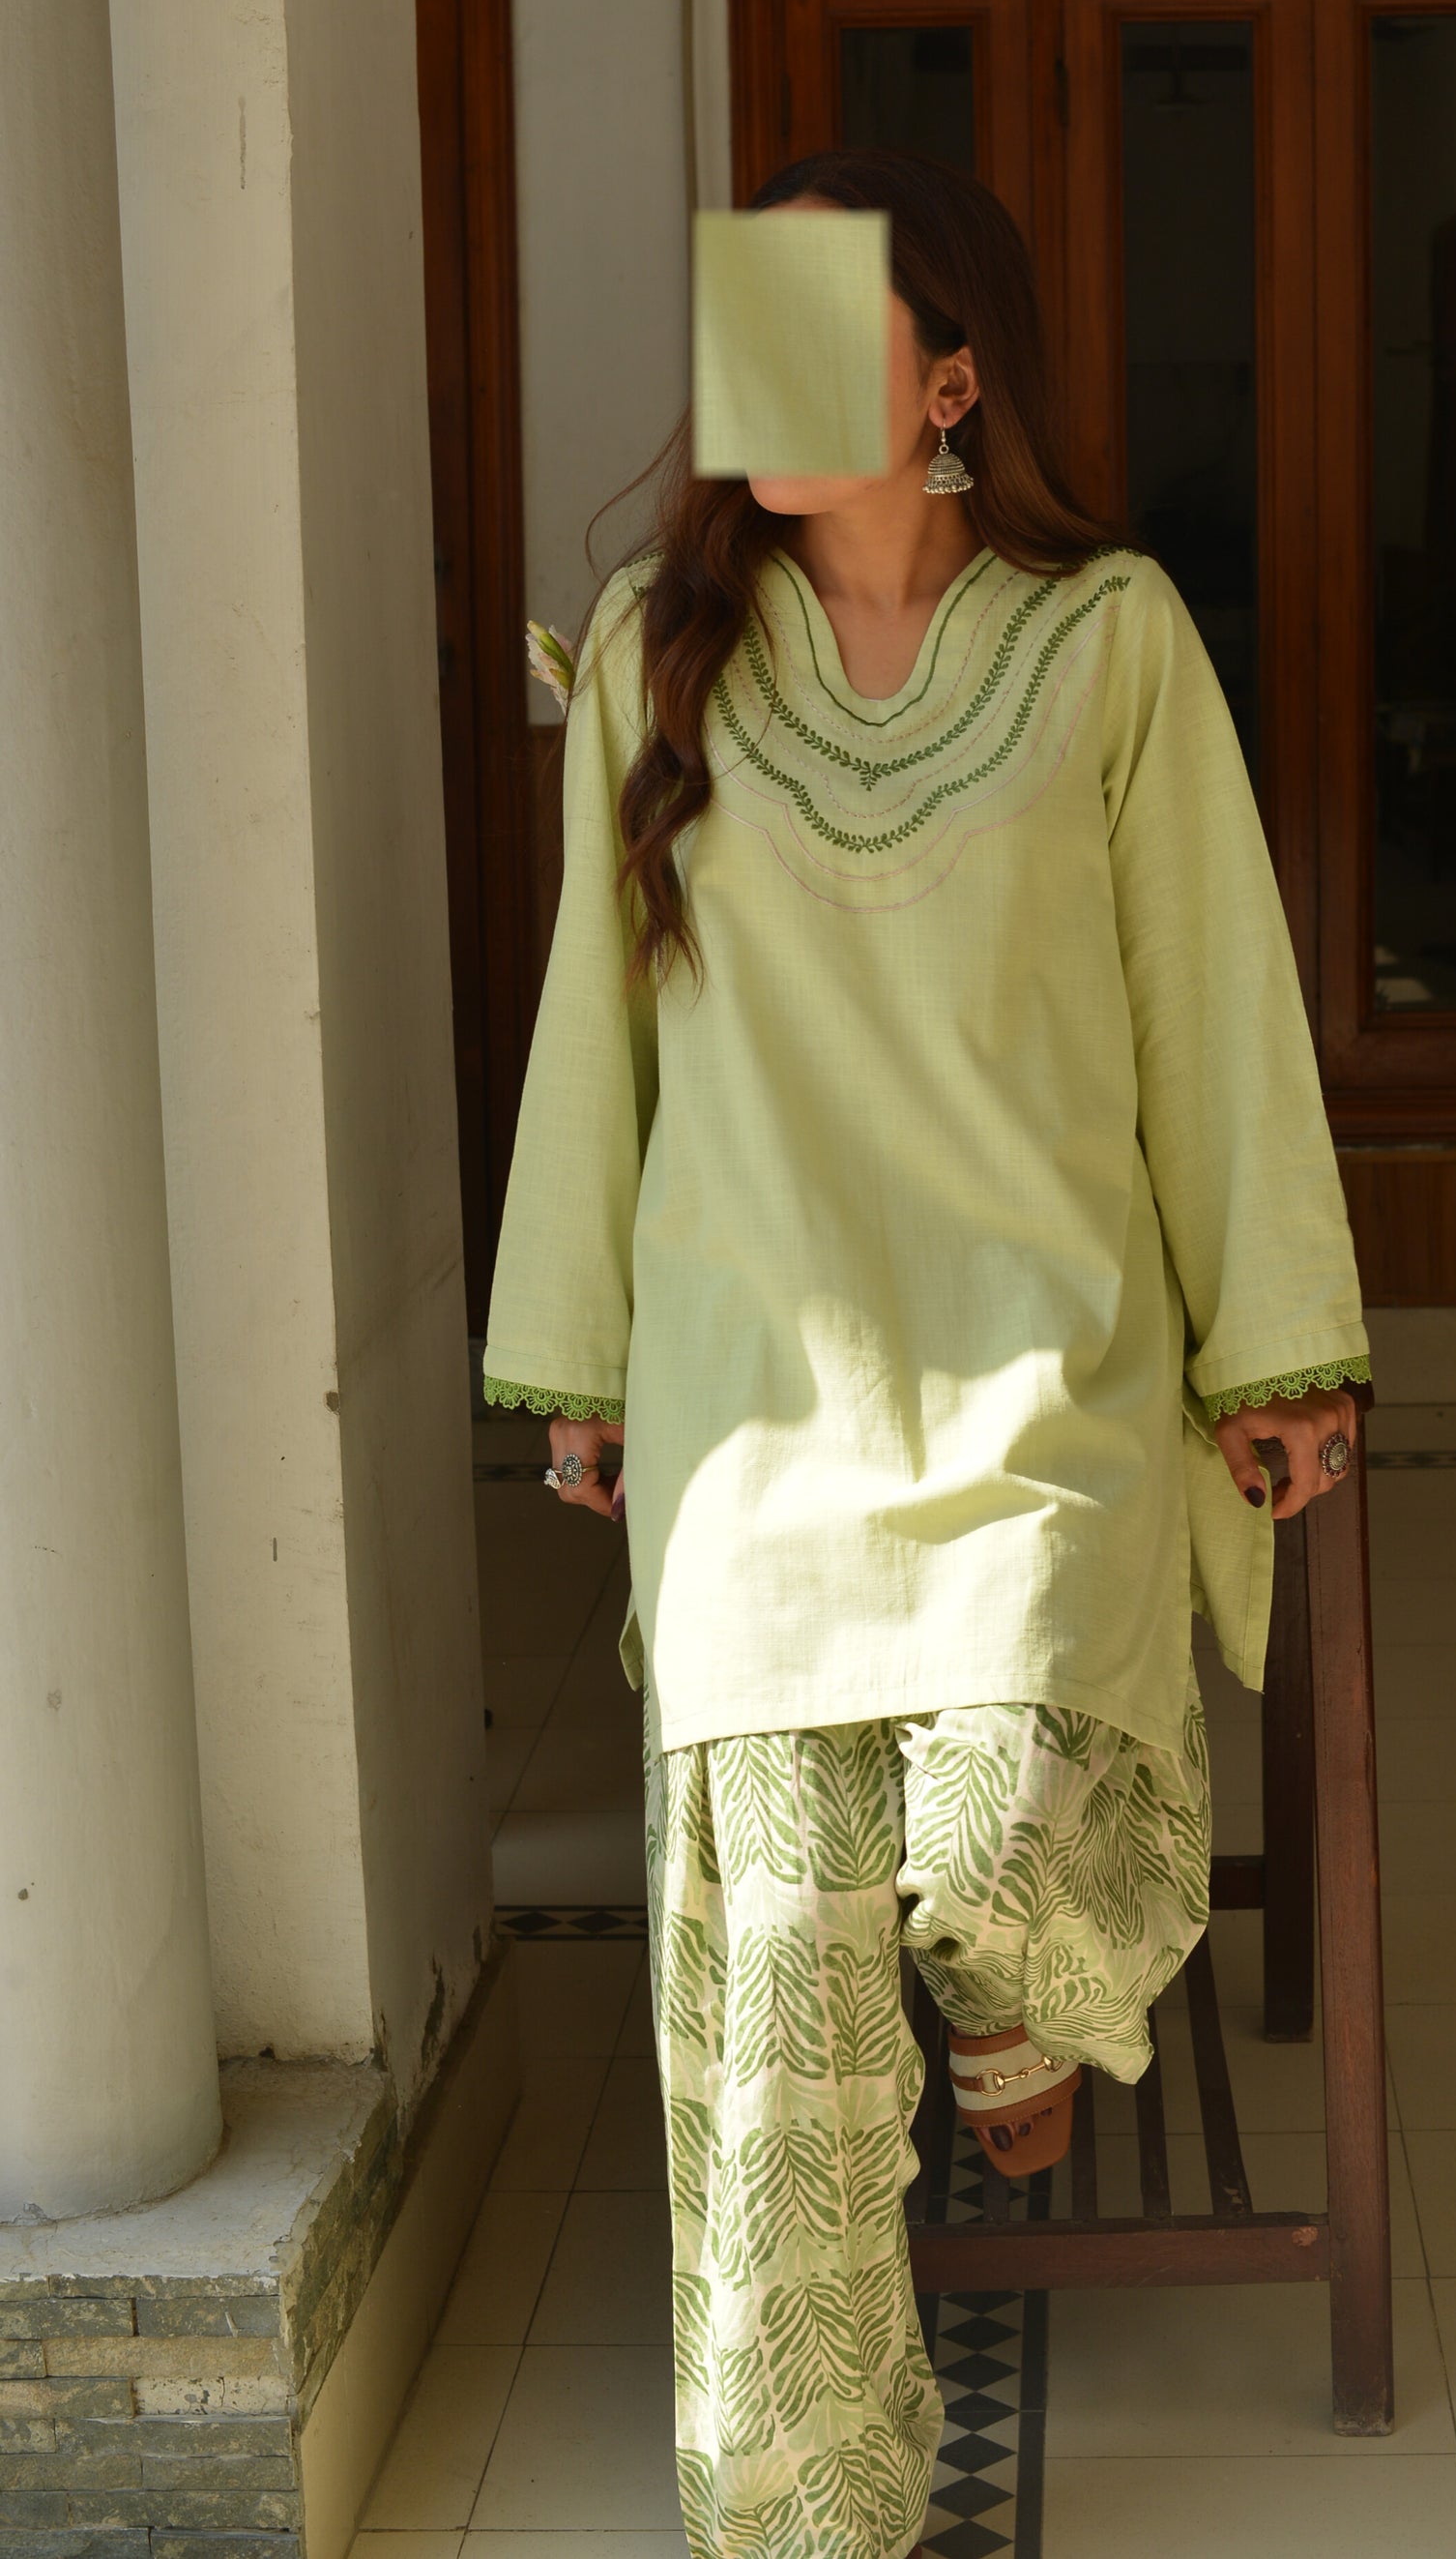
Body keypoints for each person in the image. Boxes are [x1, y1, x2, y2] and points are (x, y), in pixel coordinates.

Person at [481, 147, 1368, 2559]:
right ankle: (810, 2499)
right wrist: (583, 1364)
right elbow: (592, 1030)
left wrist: (1272, 1346)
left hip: (1035, 1367)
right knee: (780, 1962)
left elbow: (1214, 1003)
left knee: (1002, 1825)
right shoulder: (656, 651)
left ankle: (1005, 1998)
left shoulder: (1106, 641)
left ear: (952, 379)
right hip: (756, 1402)